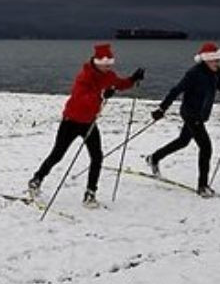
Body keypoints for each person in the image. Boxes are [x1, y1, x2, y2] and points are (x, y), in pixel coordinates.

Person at [28, 43, 144, 209]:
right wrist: (101, 94)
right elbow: (80, 98)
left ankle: (90, 193)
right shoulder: (84, 76)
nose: (107, 68)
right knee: (58, 154)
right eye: (105, 65)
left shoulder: (108, 75)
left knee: (97, 156)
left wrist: (133, 79)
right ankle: (36, 180)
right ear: (97, 62)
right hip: (71, 121)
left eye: (110, 65)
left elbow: (118, 84)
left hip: (89, 122)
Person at [144, 42, 220, 198]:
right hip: (190, 114)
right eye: (215, 60)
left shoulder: (216, 72)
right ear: (206, 59)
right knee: (206, 147)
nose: (218, 63)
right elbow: (176, 90)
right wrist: (162, 109)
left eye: (218, 60)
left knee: (182, 141)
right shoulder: (193, 74)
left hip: (201, 115)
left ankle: (154, 158)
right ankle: (202, 186)